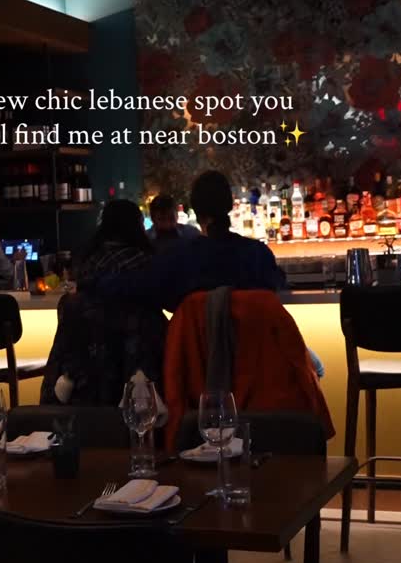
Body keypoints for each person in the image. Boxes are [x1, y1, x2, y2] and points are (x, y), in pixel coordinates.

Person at [85, 170, 284, 313]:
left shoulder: (177, 259)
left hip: (194, 357)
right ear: (231, 205)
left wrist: (92, 281)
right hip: (255, 357)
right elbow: (277, 281)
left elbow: (132, 286)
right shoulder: (259, 255)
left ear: (194, 210)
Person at [40, 200, 167, 407]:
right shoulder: (146, 265)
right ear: (138, 227)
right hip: (140, 378)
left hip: (84, 382)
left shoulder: (88, 264)